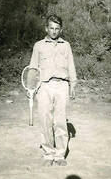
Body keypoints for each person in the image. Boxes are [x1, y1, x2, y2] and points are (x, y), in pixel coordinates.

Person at [29, 14, 77, 166]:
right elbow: (33, 67)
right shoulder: (38, 46)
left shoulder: (66, 45)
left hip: (62, 86)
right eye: (51, 28)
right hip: (44, 86)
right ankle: (49, 153)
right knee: (45, 120)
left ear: (61, 29)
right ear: (46, 28)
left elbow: (71, 66)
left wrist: (72, 85)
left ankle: (60, 155)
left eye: (57, 29)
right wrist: (31, 88)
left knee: (60, 121)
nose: (54, 31)